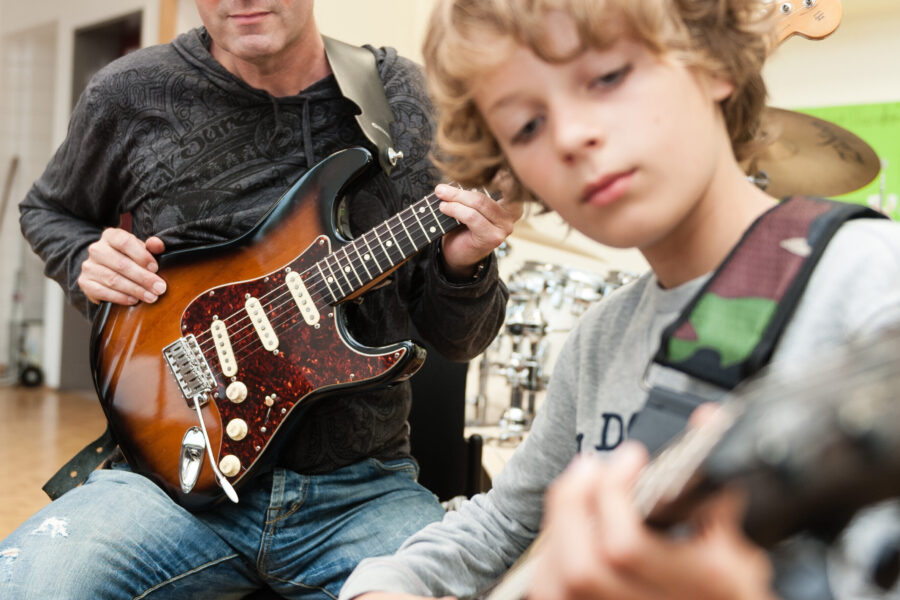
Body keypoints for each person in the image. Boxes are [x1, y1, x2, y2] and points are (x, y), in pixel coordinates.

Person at [337, 0, 900, 599]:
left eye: (608, 77)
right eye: (526, 126)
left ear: (713, 63)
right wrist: (385, 583)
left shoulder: (872, 283)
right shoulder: (600, 337)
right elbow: (502, 523)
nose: (572, 137)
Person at [2, 1, 520, 598]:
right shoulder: (128, 93)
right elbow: (48, 210)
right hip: (169, 484)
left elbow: (461, 338)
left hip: (358, 493)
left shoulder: (407, 99)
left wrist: (465, 262)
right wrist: (87, 257)